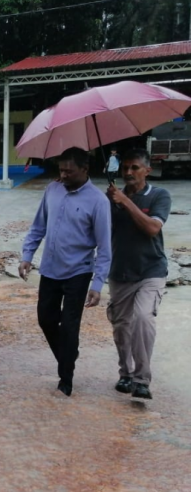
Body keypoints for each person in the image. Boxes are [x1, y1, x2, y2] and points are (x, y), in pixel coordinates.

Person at [19, 147, 112, 397]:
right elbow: (38, 226)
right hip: (49, 269)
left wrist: (97, 283)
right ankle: (68, 354)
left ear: (85, 169)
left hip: (78, 273)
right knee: (46, 319)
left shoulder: (98, 201)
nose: (64, 175)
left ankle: (65, 378)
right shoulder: (52, 189)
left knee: (70, 327)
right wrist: (27, 256)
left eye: (70, 171)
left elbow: (104, 247)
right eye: (61, 170)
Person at [106, 149, 171, 400]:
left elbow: (153, 228)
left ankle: (142, 380)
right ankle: (126, 373)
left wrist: (125, 202)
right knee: (121, 327)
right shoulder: (112, 197)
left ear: (147, 170)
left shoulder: (158, 195)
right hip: (119, 272)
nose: (129, 173)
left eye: (135, 168)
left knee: (143, 318)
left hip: (151, 270)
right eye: (125, 168)